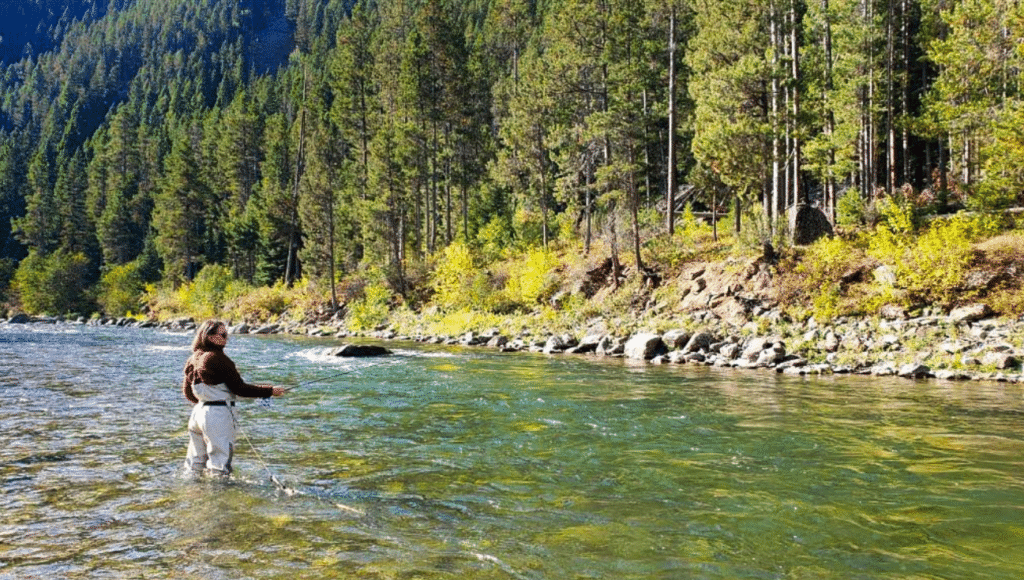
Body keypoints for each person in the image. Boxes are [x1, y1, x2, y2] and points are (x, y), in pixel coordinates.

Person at [181, 319, 285, 478]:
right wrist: (270, 391)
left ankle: (193, 496)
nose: (226, 338)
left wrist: (207, 401)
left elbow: (188, 394)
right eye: (222, 334)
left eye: (226, 334)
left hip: (197, 415)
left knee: (194, 464)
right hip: (217, 415)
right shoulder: (217, 358)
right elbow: (240, 389)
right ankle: (220, 499)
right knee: (220, 466)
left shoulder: (192, 359)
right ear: (209, 336)